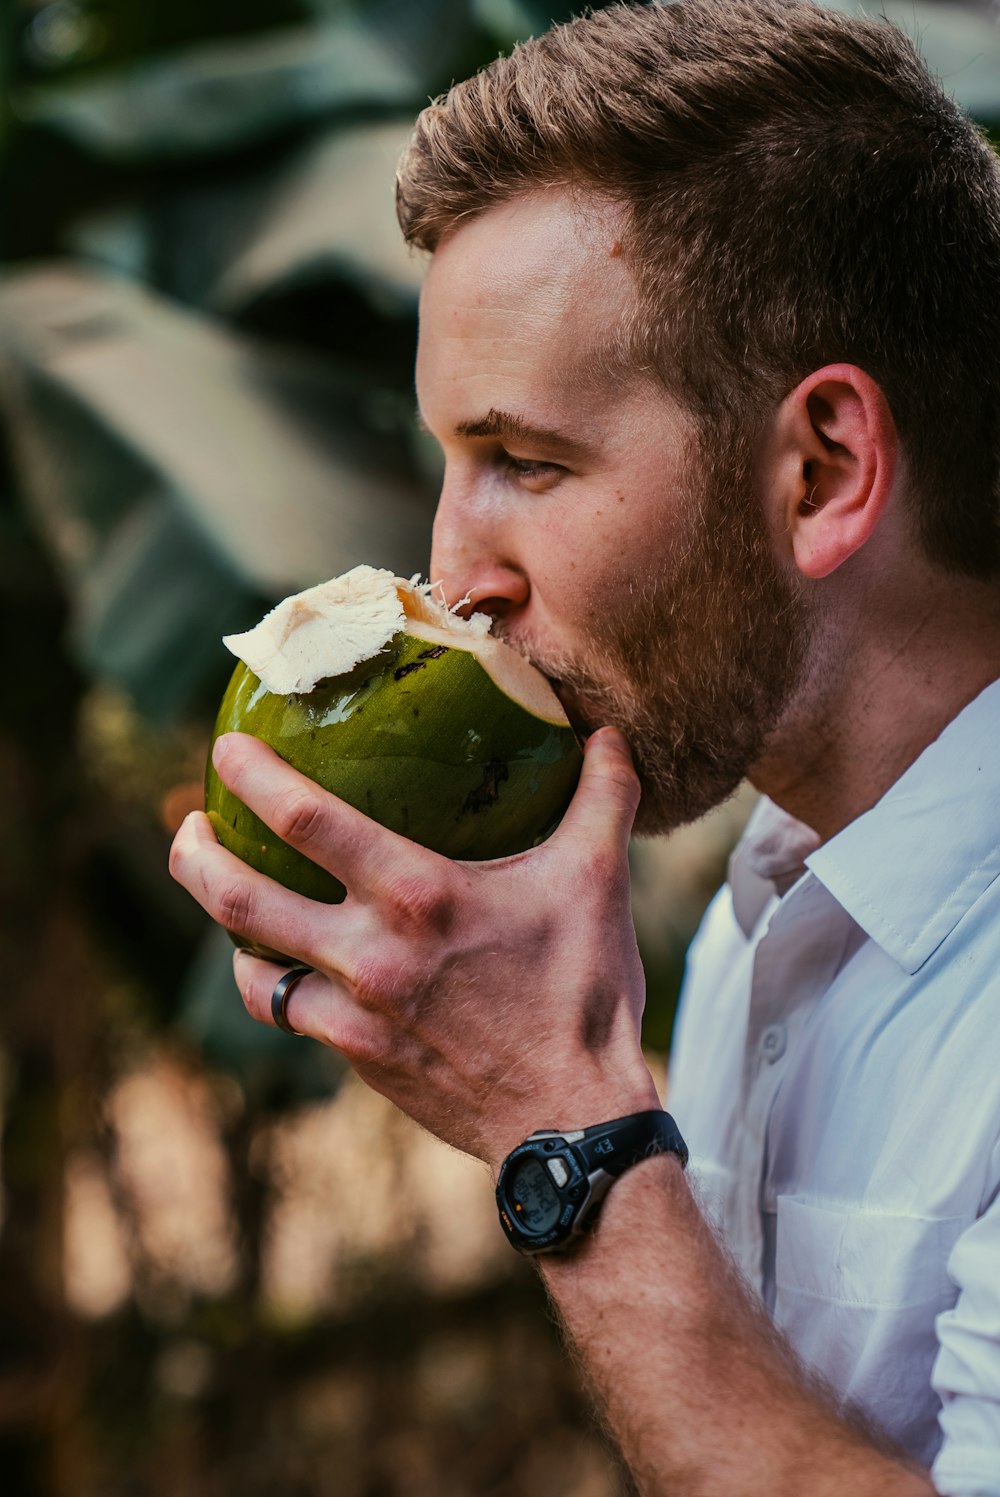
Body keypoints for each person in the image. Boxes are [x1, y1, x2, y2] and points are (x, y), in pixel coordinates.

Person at [170, 1, 1000, 1491]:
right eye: (449, 465)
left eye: (526, 462)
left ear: (819, 471)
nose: (451, 571)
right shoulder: (766, 887)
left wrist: (563, 1123)